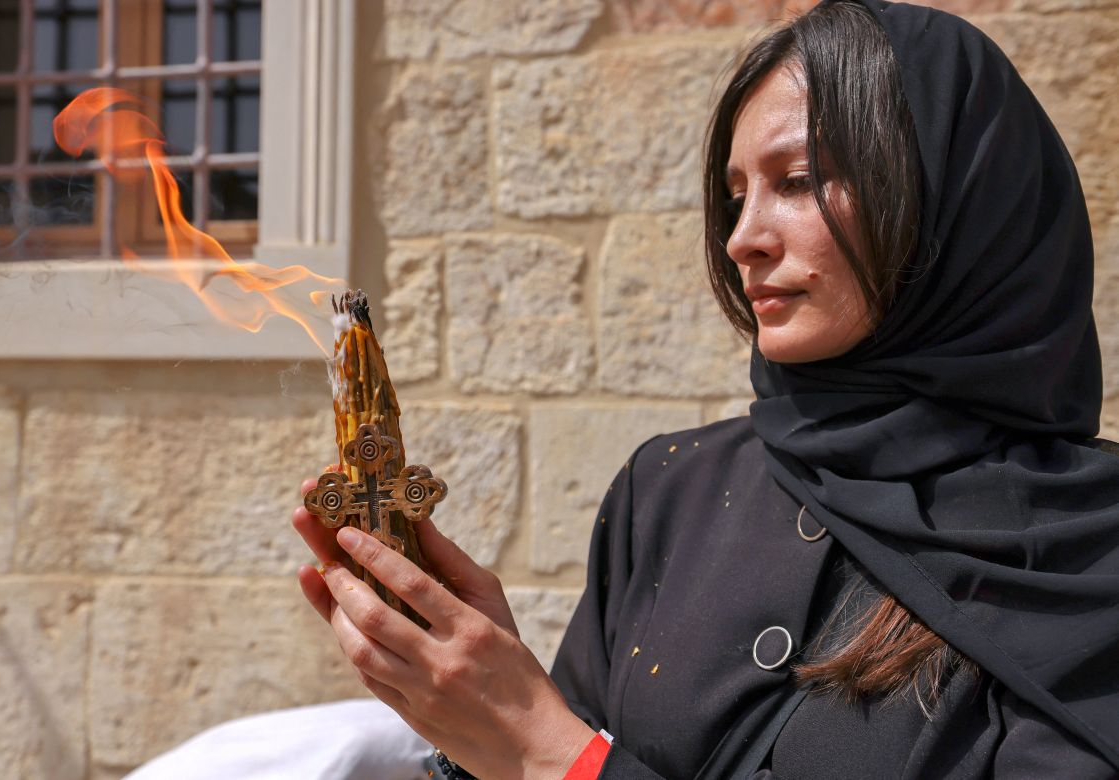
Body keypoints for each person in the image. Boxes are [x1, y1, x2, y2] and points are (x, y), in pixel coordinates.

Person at [292, 0, 1119, 777]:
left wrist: (544, 751)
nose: (743, 239)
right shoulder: (671, 490)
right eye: (734, 197)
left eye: (796, 181)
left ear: (952, 198)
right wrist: (479, 709)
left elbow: (559, 755)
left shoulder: (1090, 558)